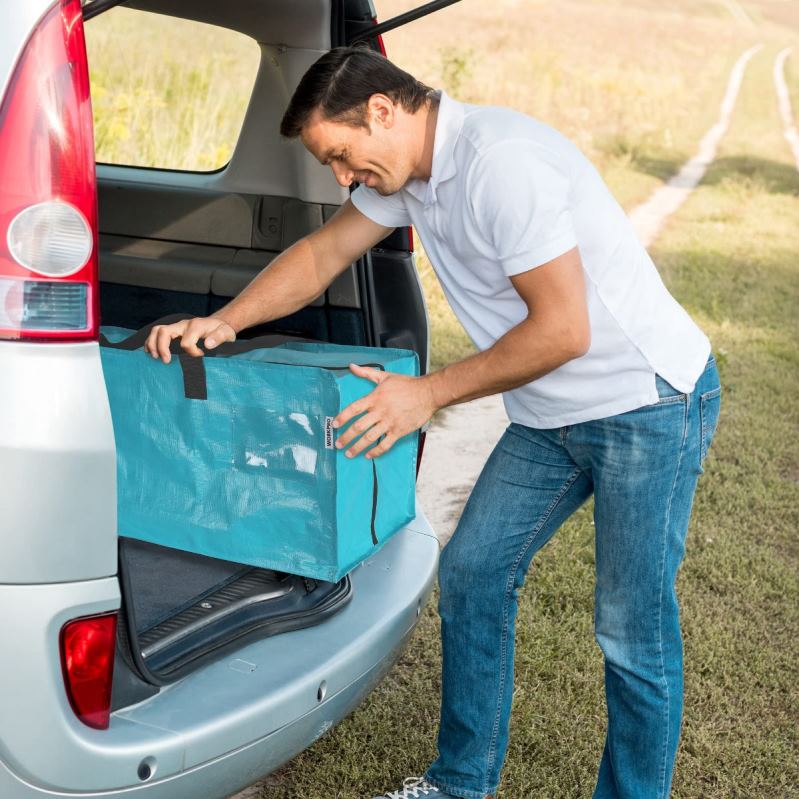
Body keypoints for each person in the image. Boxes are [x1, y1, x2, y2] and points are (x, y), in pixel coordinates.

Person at [144, 46, 721, 799]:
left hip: (644, 402)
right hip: (550, 411)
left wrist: (425, 393)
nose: (344, 179)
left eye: (343, 156)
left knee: (629, 627)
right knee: (474, 574)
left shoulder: (498, 165)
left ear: (382, 110)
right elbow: (322, 253)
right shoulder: (410, 174)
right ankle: (460, 783)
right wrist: (225, 321)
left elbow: (562, 332)